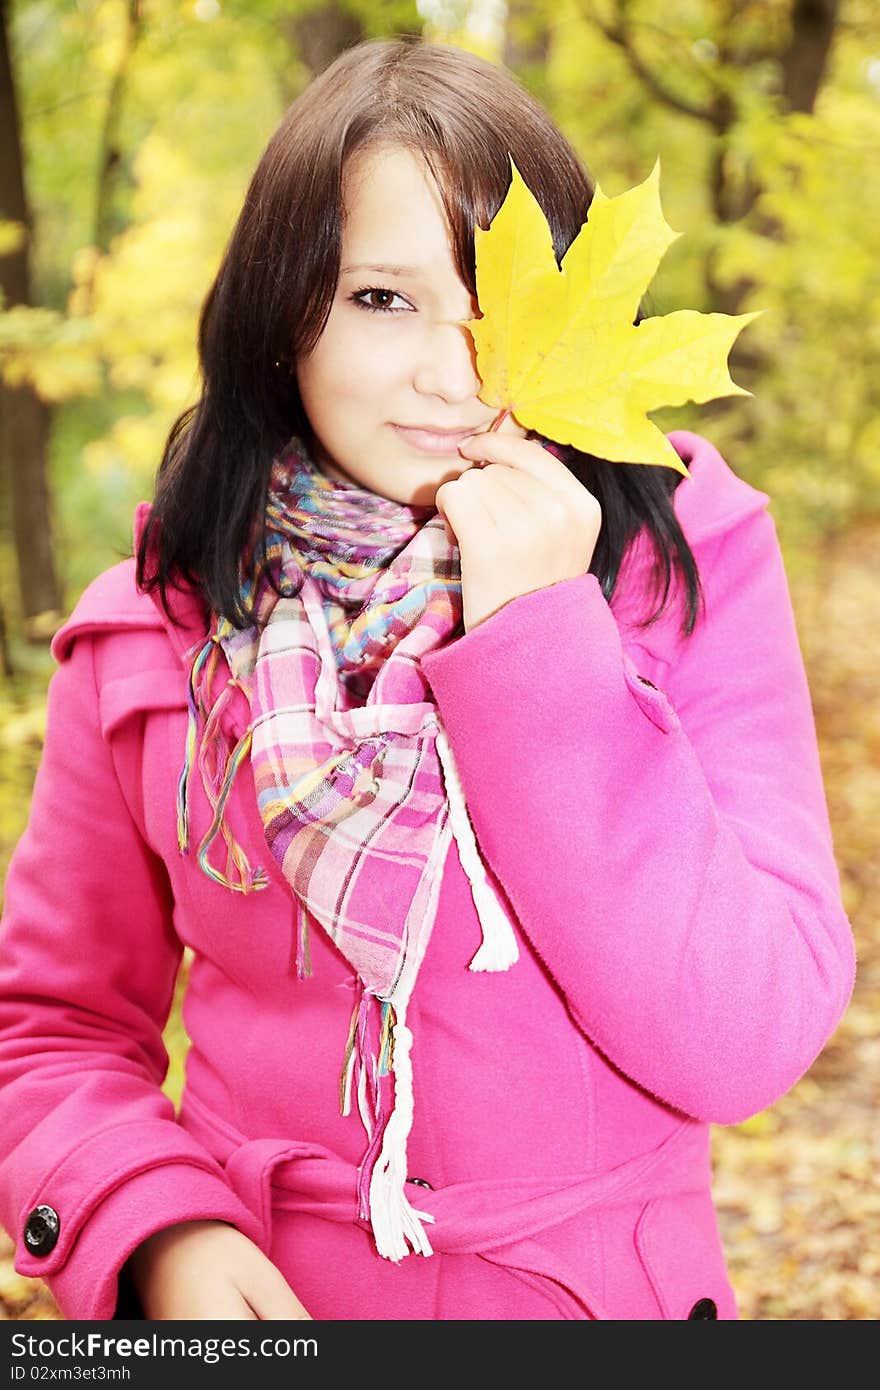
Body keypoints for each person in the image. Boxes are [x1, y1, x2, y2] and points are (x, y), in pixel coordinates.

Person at [0, 36, 855, 1323]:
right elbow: (46, 1030)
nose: (454, 372)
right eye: (383, 299)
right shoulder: (151, 632)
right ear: (281, 316)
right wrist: (150, 1226)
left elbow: (748, 1033)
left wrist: (543, 648)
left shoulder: (683, 565)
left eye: (498, 309)